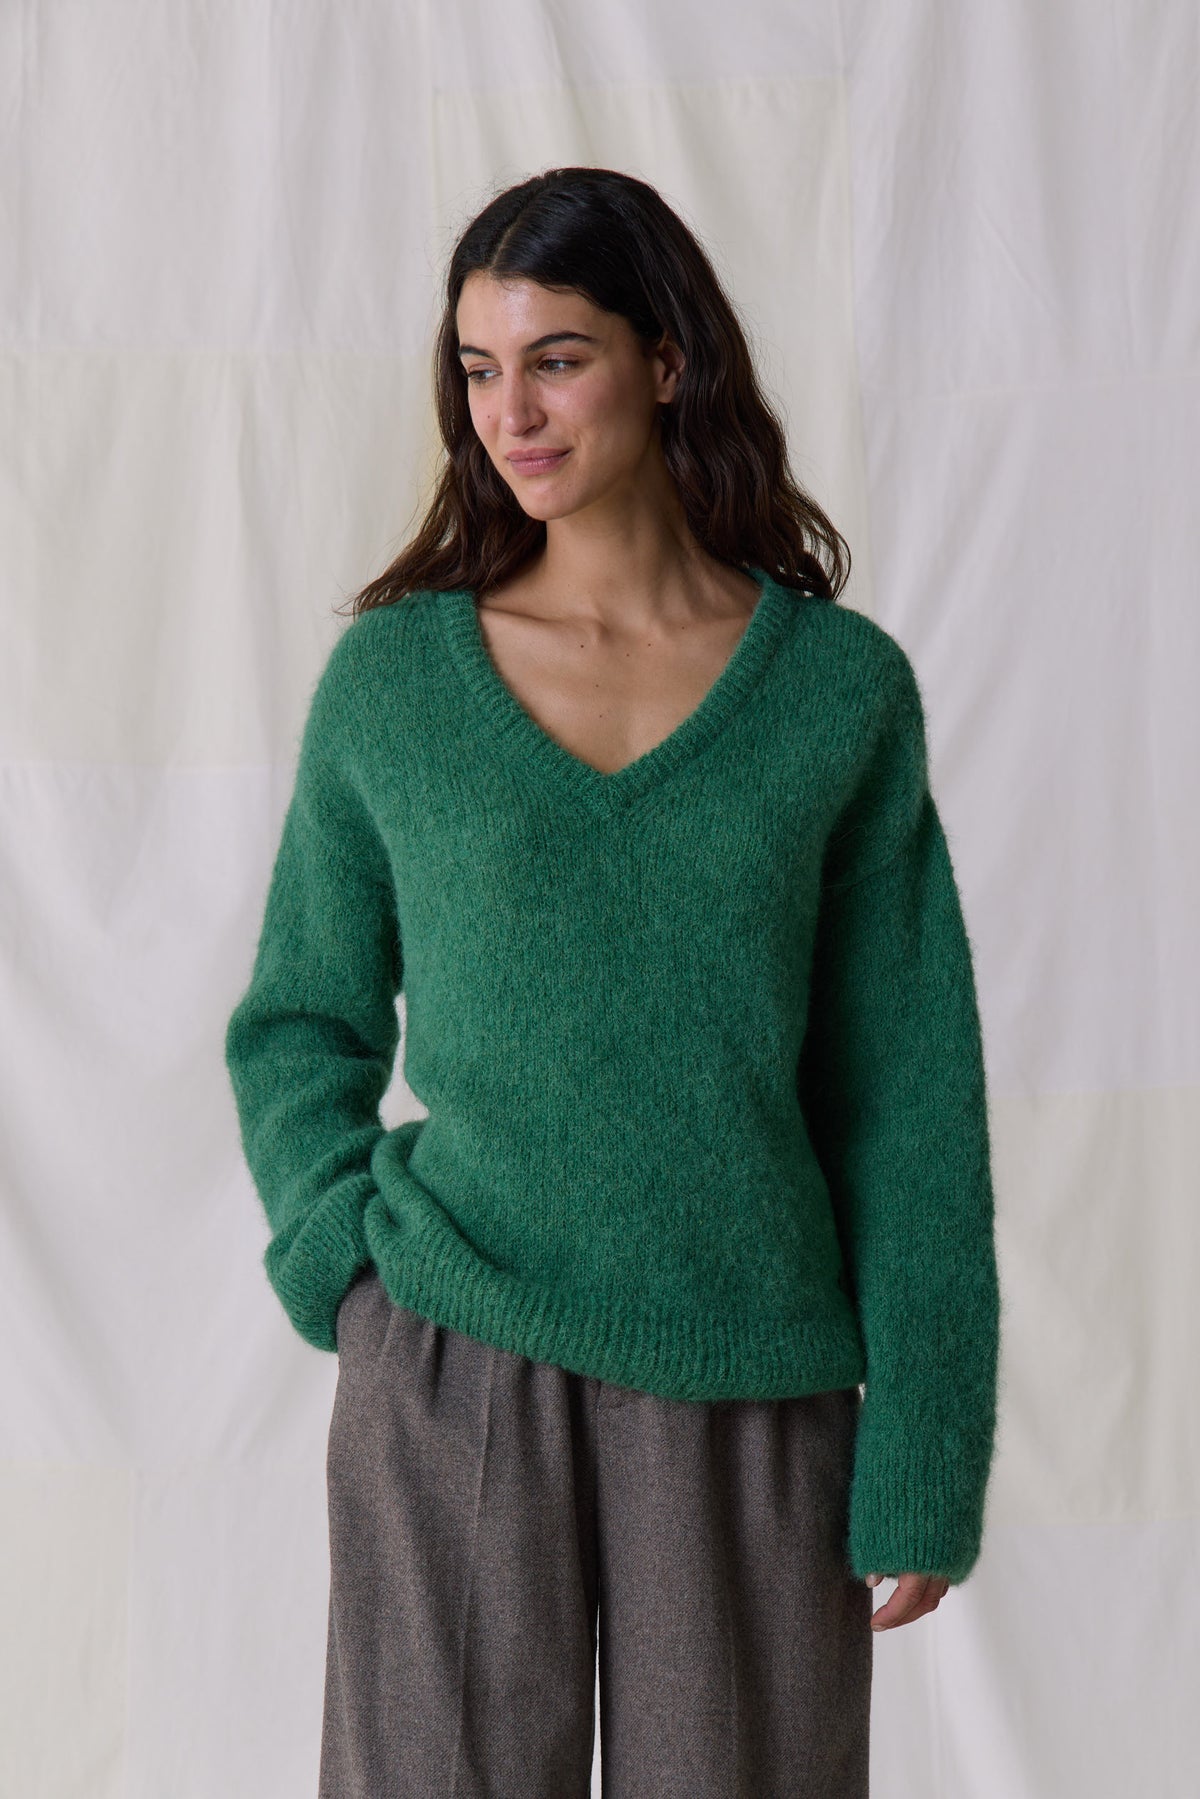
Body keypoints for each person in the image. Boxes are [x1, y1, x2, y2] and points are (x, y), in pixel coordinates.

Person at [224, 165, 1001, 1798]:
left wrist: (925, 1451)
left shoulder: (835, 696)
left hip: (749, 1369)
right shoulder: (393, 686)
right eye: (479, 369)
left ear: (666, 359)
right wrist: (347, 1272)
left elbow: (907, 1098)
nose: (510, 412)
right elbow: (302, 1018)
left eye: (557, 359)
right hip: (452, 1346)